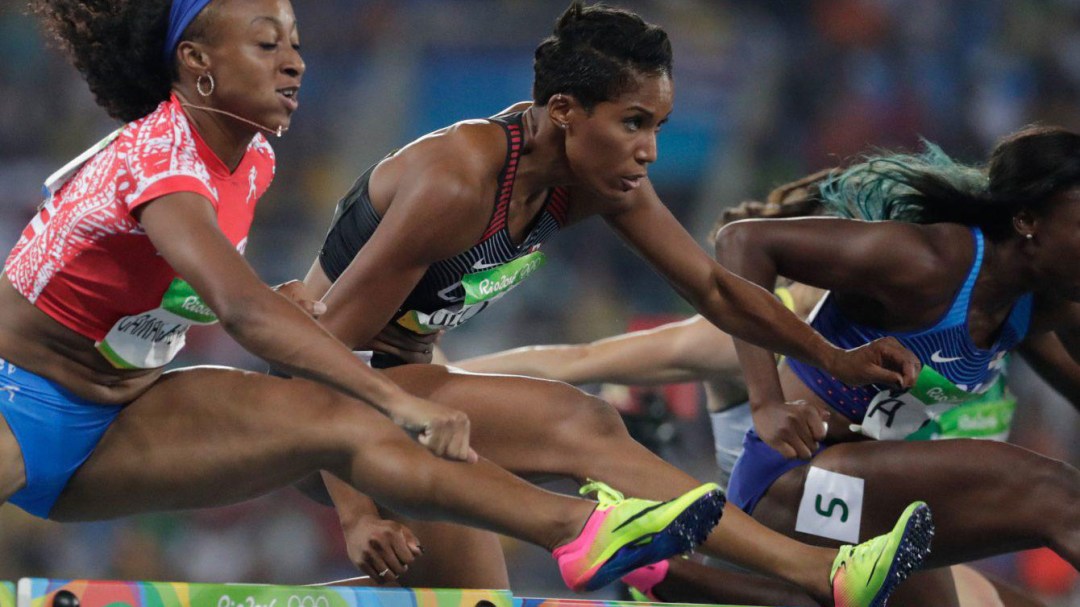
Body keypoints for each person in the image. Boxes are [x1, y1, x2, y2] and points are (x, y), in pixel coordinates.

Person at [0, 0, 730, 593]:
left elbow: (187, 289)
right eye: (266, 44)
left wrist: (309, 330)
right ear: (197, 64)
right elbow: (242, 309)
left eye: (294, 41)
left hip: (122, 412)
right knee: (372, 412)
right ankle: (584, 527)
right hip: (13, 396)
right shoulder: (159, 154)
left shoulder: (252, 159)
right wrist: (396, 398)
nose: (295, 60)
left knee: (341, 424)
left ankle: (580, 527)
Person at [294, 4, 933, 606]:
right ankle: (824, 573)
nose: (649, 150)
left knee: (470, 597)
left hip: (412, 408)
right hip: (328, 408)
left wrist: (833, 358)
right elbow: (317, 356)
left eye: (657, 127)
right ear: (566, 111)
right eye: (634, 123)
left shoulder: (592, 180)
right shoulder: (458, 182)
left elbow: (713, 289)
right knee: (585, 424)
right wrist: (355, 514)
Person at [457, 177, 1048, 607]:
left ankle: (670, 577)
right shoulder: (751, 324)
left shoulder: (958, 319)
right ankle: (668, 577)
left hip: (867, 526)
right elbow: (577, 360)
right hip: (771, 534)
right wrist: (445, 382)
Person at [711, 128, 1080, 606]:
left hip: (871, 500)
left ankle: (674, 578)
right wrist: (765, 402)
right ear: (1028, 219)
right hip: (789, 486)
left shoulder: (1037, 305)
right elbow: (742, 243)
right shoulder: (930, 262)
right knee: (1053, 492)